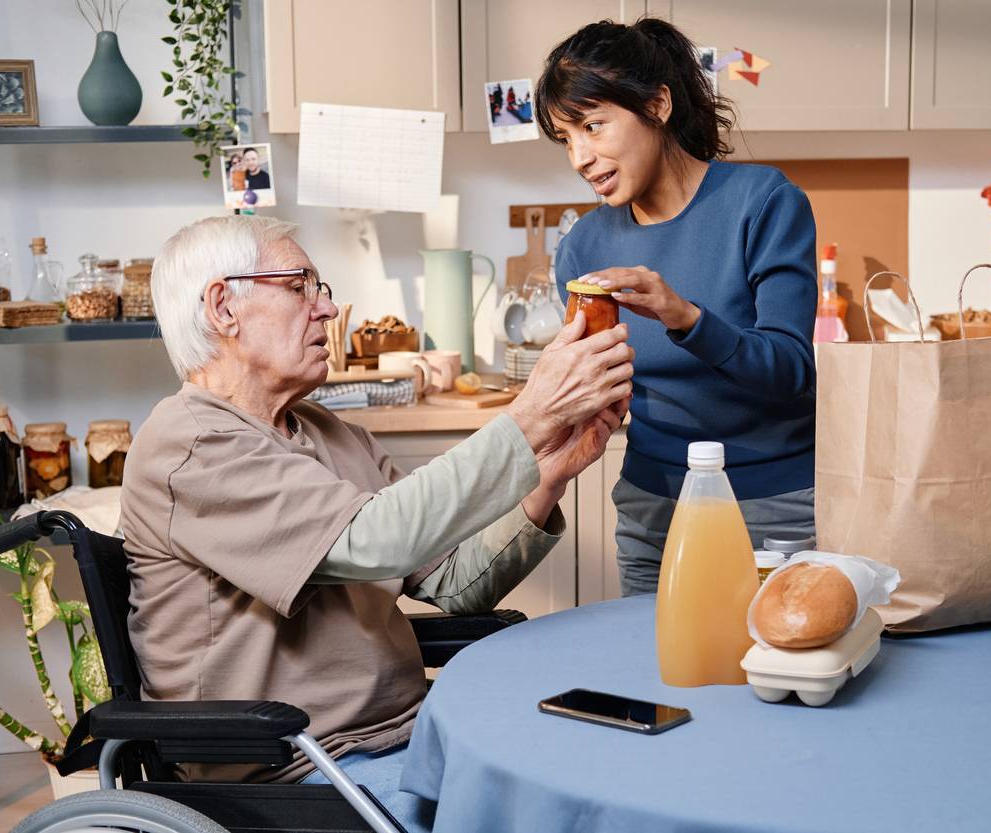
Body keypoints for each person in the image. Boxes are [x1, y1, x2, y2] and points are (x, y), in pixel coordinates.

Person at [120, 216, 632, 827]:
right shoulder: (190, 445)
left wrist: (549, 473)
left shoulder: (332, 433)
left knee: (591, 780)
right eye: (300, 285)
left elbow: (455, 582)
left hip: (408, 732)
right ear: (223, 305)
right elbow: (378, 540)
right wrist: (529, 415)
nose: (329, 308)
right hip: (296, 764)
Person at [537, 18, 819, 596]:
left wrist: (684, 316)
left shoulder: (764, 204)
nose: (580, 157)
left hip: (774, 509)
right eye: (567, 139)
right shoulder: (582, 249)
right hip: (653, 508)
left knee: (774, 676)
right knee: (660, 677)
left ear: (657, 105)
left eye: (593, 126)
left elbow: (792, 371)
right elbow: (600, 390)